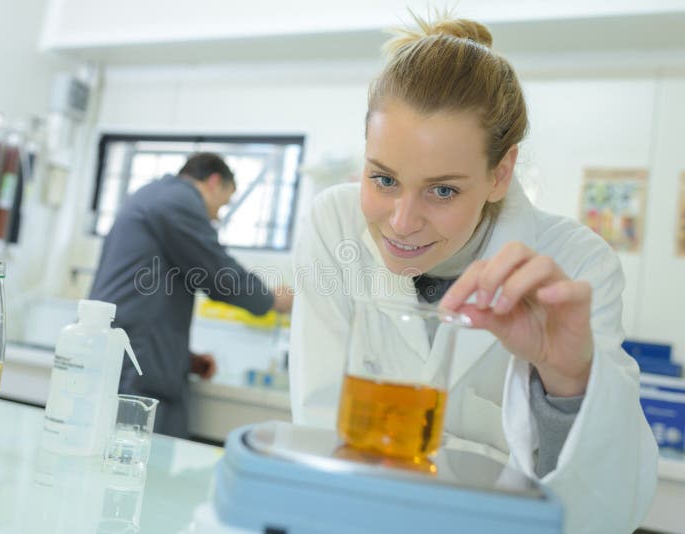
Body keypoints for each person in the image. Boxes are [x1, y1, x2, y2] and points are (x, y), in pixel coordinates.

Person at [289, 15, 656, 534]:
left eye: (443, 190)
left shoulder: (575, 263)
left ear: (500, 173)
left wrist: (567, 385)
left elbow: (607, 508)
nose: (402, 221)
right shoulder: (336, 224)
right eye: (384, 178)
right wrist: (490, 462)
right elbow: (320, 429)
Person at [90, 152, 292, 438]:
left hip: (126, 349)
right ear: (213, 182)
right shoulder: (178, 202)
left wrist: (186, 358)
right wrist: (271, 300)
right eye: (224, 203)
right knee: (136, 459)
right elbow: (217, 271)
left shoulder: (150, 196)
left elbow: (146, 296)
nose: (217, 215)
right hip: (134, 360)